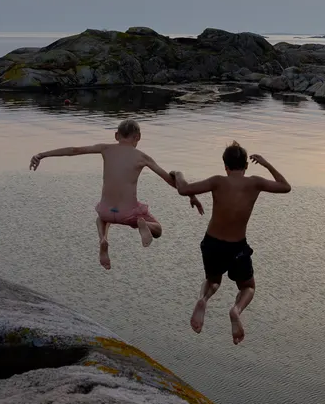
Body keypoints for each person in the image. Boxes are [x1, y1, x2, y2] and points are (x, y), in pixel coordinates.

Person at [28, 119, 203, 270]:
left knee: (101, 218)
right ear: (138, 137)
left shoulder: (105, 149)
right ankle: (144, 225)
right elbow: (170, 181)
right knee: (158, 230)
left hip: (106, 211)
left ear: (116, 135)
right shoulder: (143, 157)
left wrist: (41, 155)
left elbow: (74, 150)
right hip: (129, 214)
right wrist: (190, 195)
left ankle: (103, 239)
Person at [172, 143, 290, 344]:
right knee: (248, 287)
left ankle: (203, 299)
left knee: (213, 281)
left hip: (212, 243)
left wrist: (178, 173)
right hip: (237, 247)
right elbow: (285, 186)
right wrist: (266, 164)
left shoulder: (217, 182)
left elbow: (183, 189)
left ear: (225, 166)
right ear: (246, 165)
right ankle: (236, 310)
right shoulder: (255, 183)